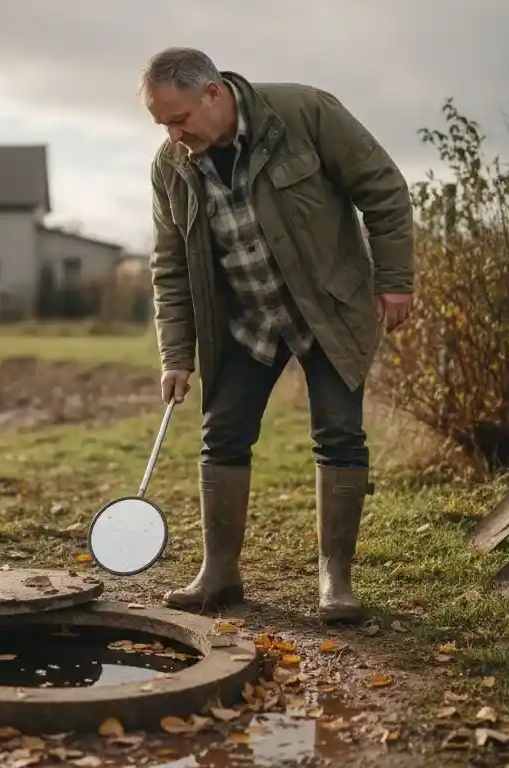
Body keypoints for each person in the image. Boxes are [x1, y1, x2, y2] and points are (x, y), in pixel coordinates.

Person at [140, 47, 415, 623]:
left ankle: (335, 579)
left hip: (327, 310)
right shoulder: (171, 167)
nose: (173, 136)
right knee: (222, 437)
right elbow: (170, 265)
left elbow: (383, 188)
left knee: (340, 435)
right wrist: (176, 354)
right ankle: (219, 573)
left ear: (213, 92)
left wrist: (394, 280)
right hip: (244, 320)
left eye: (179, 119)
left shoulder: (304, 113)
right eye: (163, 125)